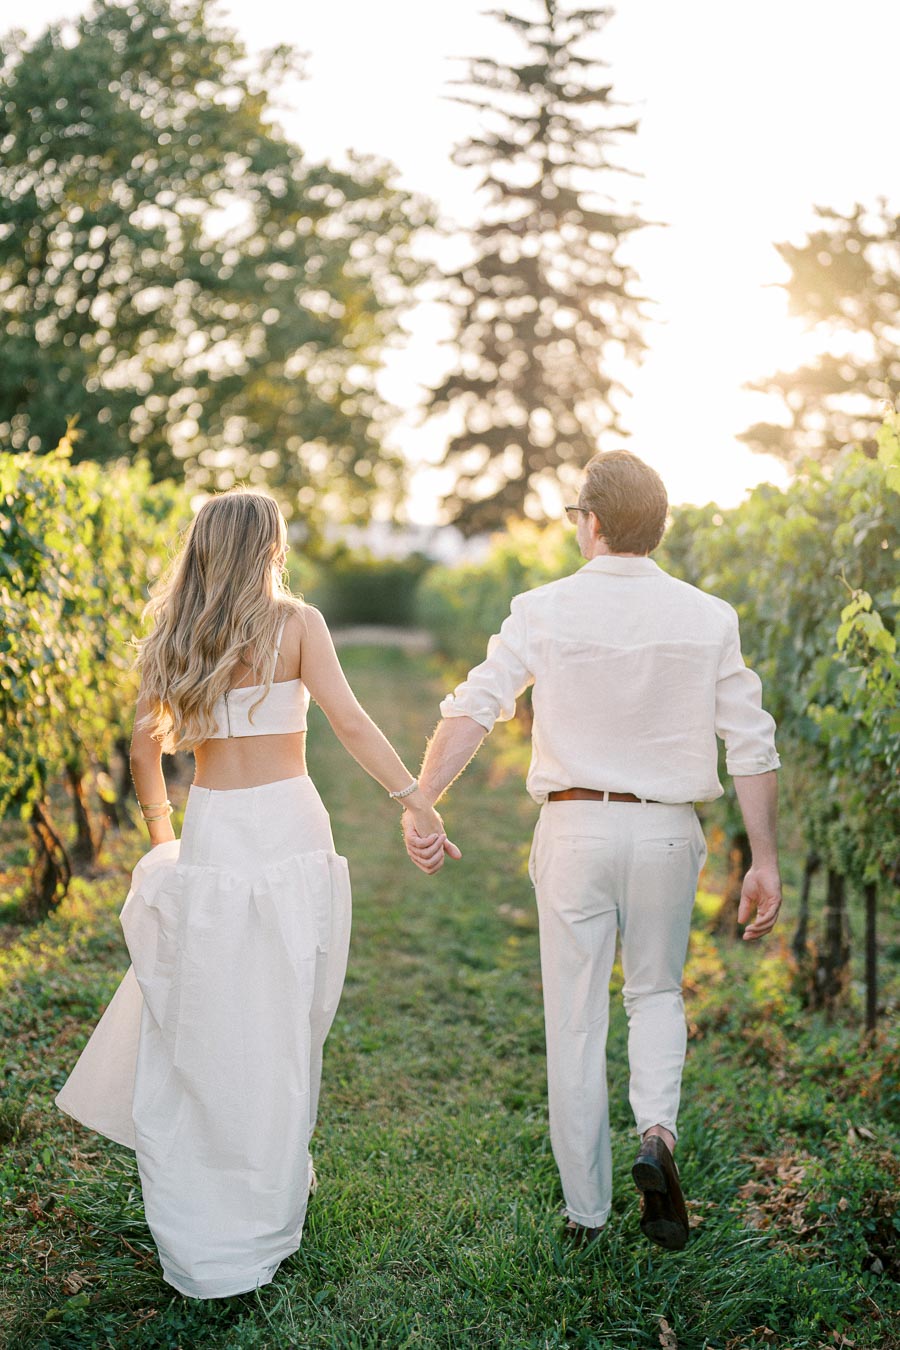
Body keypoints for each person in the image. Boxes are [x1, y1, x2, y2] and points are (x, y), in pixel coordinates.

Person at [56, 487, 451, 1299]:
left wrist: (167, 837)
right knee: (288, 1014)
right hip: (290, 831)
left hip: (215, 828)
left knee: (212, 1017)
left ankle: (222, 1184)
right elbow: (347, 721)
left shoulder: (175, 633)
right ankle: (271, 1180)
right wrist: (413, 796)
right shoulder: (296, 625)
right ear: (269, 545)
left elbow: (143, 753)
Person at [403, 450, 782, 1251]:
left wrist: (424, 800)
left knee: (573, 1019)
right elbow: (751, 744)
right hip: (666, 831)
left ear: (595, 523)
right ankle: (658, 1135)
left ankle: (587, 1212)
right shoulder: (709, 616)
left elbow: (477, 707)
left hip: (574, 827)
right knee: (654, 993)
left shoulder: (543, 608)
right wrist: (765, 861)